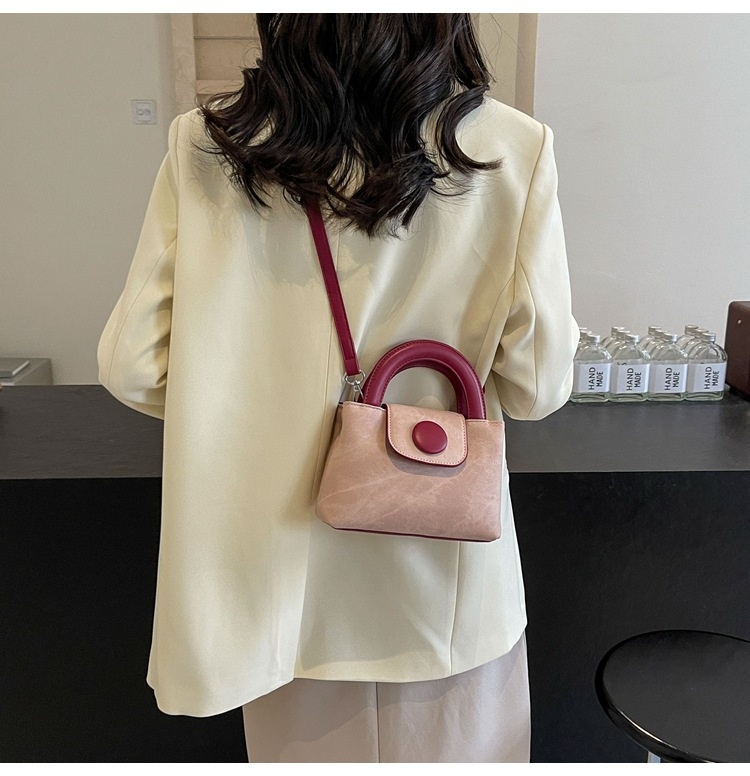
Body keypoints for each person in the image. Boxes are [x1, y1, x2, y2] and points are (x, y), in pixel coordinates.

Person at [97, 13, 578, 763]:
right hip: (440, 593)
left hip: (272, 606)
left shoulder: (208, 146)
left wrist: (246, 399)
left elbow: (132, 365)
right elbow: (537, 386)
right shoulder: (511, 148)